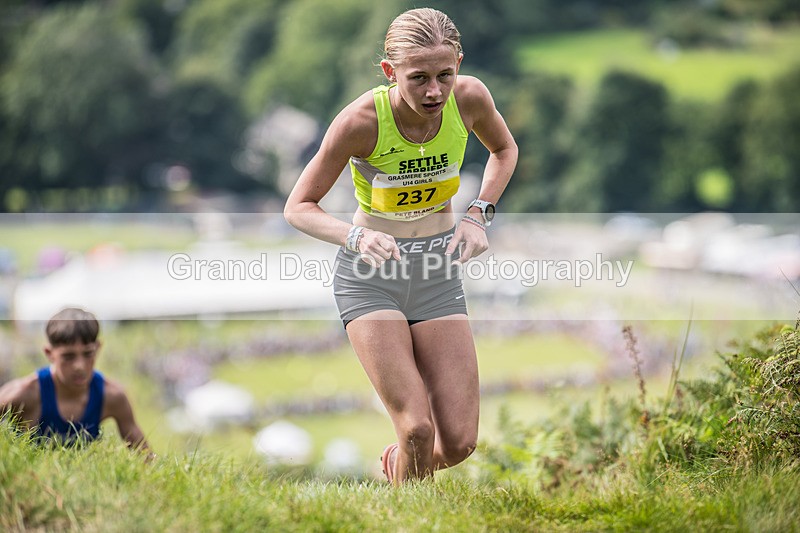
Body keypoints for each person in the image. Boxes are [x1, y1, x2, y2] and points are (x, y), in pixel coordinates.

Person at [284, 7, 517, 484]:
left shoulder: (470, 98)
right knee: (415, 428)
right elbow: (299, 207)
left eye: (444, 75)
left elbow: (504, 150)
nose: (434, 91)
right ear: (391, 72)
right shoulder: (360, 121)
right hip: (372, 278)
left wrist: (478, 214)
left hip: (436, 273)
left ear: (459, 64)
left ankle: (395, 471)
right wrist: (356, 234)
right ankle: (410, 513)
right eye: (419, 78)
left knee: (459, 443)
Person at [0, 307, 151, 452]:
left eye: (88, 354)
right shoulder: (22, 394)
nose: (79, 366)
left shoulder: (111, 396)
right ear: (49, 353)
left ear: (98, 348)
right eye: (68, 356)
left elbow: (146, 458)